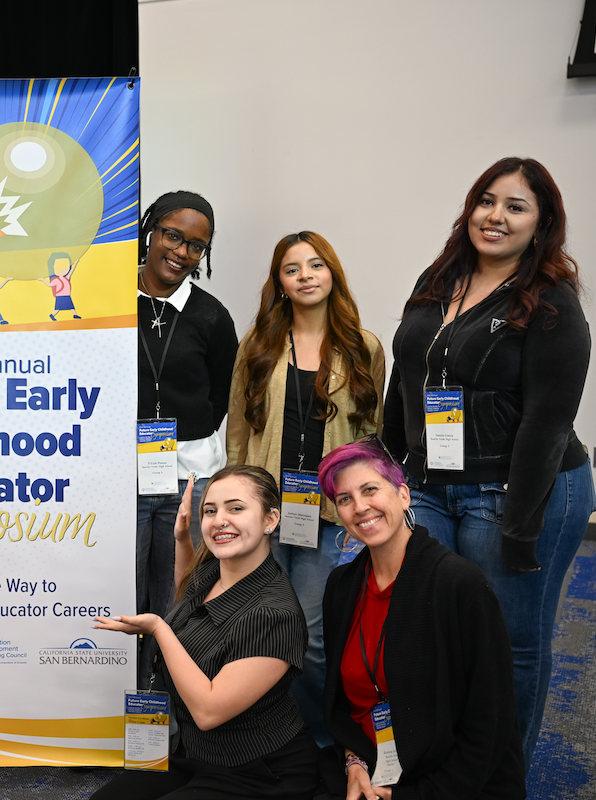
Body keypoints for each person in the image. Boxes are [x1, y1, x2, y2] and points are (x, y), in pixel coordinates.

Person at [383, 157, 595, 767]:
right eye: (486, 201)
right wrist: (389, 467)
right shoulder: (439, 277)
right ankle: (447, 764)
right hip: (430, 485)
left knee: (511, 644)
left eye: (515, 206)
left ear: (542, 224)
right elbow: (407, 373)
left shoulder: (551, 303)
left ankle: (503, 775)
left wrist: (520, 528)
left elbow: (547, 423)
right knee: (434, 631)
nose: (495, 216)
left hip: (517, 491)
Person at [225, 231, 384, 747]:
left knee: (312, 638)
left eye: (316, 265)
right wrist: (233, 499)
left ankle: (316, 743)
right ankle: (262, 738)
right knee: (259, 630)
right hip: (264, 510)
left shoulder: (363, 347)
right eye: (292, 269)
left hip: (328, 513)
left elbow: (371, 435)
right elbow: (238, 426)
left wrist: (364, 507)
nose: (305, 276)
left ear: (332, 273)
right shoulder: (258, 343)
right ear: (280, 283)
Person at [92, 466, 318, 800]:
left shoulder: (274, 615)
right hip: (196, 756)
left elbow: (208, 711)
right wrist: (182, 537)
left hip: (260, 772)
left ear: (270, 519)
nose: (219, 520)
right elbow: (187, 598)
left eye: (236, 508)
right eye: (210, 511)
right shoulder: (214, 571)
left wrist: (158, 628)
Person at [318, 438, 525, 799]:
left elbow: (490, 723)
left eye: (370, 489)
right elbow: (343, 705)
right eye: (345, 499)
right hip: (371, 768)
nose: (360, 507)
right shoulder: (342, 586)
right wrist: (354, 762)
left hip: (450, 783)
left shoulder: (458, 585)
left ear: (403, 495)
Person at [136, 191, 238, 625]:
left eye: (196, 246)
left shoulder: (211, 316)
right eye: (173, 236)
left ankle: (165, 671)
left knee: (177, 599)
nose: (182, 252)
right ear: (150, 232)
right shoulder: (107, 301)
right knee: (122, 591)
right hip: (120, 477)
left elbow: (222, 393)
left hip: (190, 481)